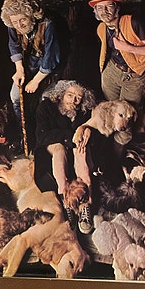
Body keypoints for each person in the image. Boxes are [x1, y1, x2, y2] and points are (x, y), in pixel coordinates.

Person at [89, 0, 145, 151]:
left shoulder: (133, 23)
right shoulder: (101, 28)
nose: (104, 11)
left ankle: (117, 155)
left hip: (134, 76)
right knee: (109, 111)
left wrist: (128, 48)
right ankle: (103, 150)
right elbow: (111, 51)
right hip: (111, 72)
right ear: (95, 11)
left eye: (109, 6)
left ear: (117, 7)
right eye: (99, 8)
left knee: (126, 116)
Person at [0, 0, 61, 150]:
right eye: (15, 22)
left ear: (31, 15)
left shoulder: (48, 25)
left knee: (44, 101)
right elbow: (14, 46)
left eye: (23, 20)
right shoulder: (12, 24)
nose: (19, 25)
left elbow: (51, 58)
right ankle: (24, 136)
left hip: (49, 69)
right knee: (15, 96)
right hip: (28, 64)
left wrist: (36, 81)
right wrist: (19, 69)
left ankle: (43, 141)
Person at [34, 80, 97, 234]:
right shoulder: (46, 107)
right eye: (70, 95)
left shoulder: (83, 111)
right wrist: (69, 137)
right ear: (61, 94)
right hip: (51, 149)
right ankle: (66, 199)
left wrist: (87, 129)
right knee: (59, 148)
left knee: (81, 149)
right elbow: (42, 136)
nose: (73, 101)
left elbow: (92, 129)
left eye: (78, 98)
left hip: (74, 149)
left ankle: (85, 203)